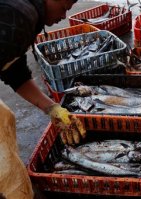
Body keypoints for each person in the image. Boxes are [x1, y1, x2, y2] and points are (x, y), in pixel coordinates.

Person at [0, 0, 86, 198]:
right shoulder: (21, 15)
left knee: (6, 119)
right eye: (65, 7)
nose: (64, 17)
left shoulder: (23, 13)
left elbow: (14, 71)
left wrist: (52, 108)